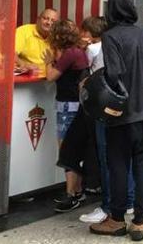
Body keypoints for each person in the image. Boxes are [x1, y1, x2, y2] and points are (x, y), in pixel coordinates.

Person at [89, 0, 143, 241]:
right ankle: (140, 221)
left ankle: (116, 219)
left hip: (123, 112)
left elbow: (115, 72)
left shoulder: (111, 36)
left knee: (118, 164)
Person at [43, 19, 89, 212]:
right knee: (75, 148)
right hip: (78, 104)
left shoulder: (69, 54)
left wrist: (48, 63)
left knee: (66, 149)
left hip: (67, 105)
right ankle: (78, 191)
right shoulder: (78, 52)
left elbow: (51, 76)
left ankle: (71, 195)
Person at [15, 8, 59, 77]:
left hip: (49, 78)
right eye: (45, 18)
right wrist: (24, 65)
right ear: (38, 19)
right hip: (27, 78)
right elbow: (11, 54)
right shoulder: (23, 31)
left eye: (53, 21)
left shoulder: (57, 36)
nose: (48, 23)